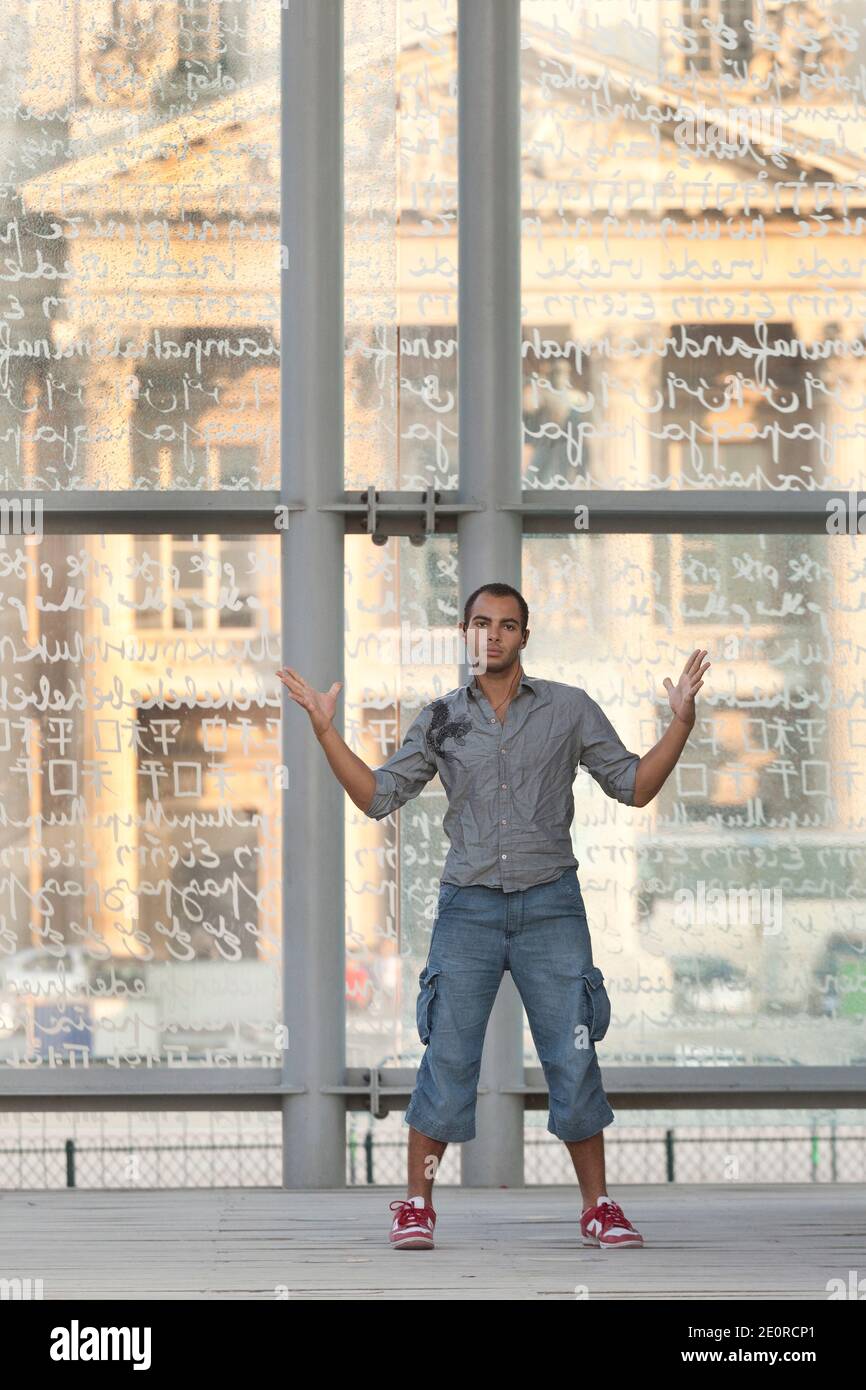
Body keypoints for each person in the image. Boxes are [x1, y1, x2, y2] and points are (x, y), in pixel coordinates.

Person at [276, 583, 710, 1251]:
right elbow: (377, 797)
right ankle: (416, 1204)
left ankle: (597, 1208)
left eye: (508, 625)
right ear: (465, 632)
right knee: (447, 1057)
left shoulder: (568, 709)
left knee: (572, 1054)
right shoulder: (442, 718)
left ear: (525, 637)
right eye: (483, 623)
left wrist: (679, 720)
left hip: (551, 905)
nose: (495, 635)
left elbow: (633, 785)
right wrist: (326, 730)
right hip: (468, 909)